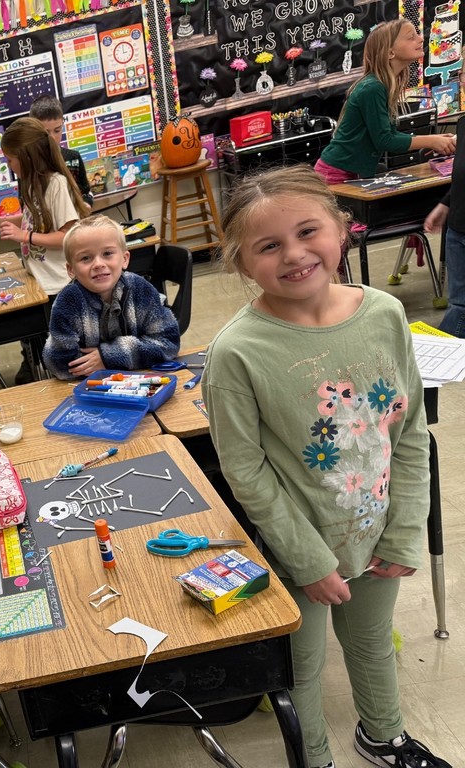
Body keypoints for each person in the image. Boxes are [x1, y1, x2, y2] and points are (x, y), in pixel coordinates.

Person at [202, 166, 447, 768]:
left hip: (378, 533)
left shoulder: (385, 312)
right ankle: (313, 757)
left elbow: (409, 430)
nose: (294, 254)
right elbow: (246, 470)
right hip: (298, 550)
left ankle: (383, 736)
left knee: (371, 644)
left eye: (308, 231)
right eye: (268, 245)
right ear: (241, 264)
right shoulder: (236, 353)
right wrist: (308, 561)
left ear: (342, 229)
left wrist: (405, 527)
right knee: (301, 667)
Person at [0, 116, 89, 383]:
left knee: (65, 355)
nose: (8, 165)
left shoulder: (56, 183)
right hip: (40, 284)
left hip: (59, 284)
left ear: (27, 157)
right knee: (46, 351)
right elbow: (31, 220)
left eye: (10, 159)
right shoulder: (32, 185)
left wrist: (25, 237)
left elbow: (68, 234)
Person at [315, 19, 455, 183]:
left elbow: (388, 134)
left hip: (352, 173)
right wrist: (431, 141)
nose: (420, 39)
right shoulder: (372, 88)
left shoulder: (382, 85)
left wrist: (438, 140)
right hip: (335, 175)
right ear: (390, 53)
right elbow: (384, 140)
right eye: (411, 37)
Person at [43, 215, 179, 379]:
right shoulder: (67, 302)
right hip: (91, 390)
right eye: (86, 258)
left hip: (143, 383)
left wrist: (109, 356)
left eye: (107, 253)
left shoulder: (140, 289)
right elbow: (60, 363)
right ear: (71, 269)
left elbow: (168, 342)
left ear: (124, 259)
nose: (98, 264)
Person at [424, 68, 465, 337]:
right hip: (458, 230)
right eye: (464, 78)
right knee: (459, 306)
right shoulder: (463, 124)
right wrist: (446, 204)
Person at [29, 94, 93, 205]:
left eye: (57, 130)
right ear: (33, 130)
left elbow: (86, 193)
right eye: (45, 133)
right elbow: (25, 203)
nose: (52, 138)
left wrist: (86, 204)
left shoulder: (74, 157)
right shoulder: (28, 163)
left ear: (62, 124)